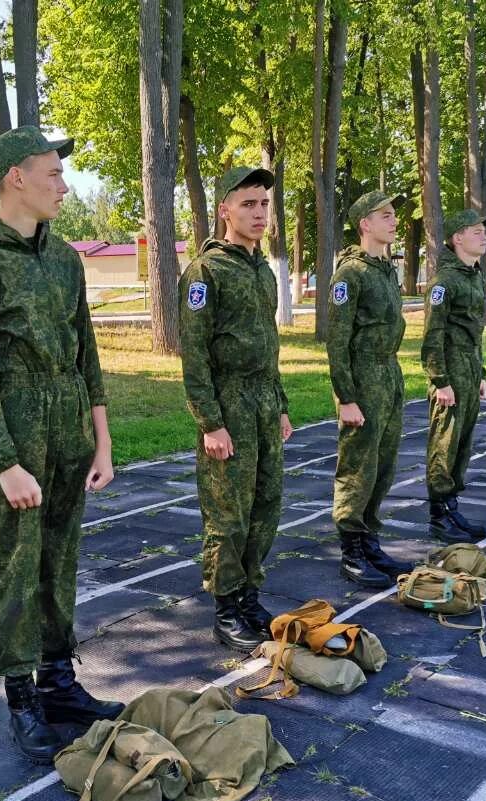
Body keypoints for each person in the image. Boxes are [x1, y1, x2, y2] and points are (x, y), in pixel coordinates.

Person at [0, 126, 122, 764]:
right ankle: (21, 698)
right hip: (15, 426)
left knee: (60, 560)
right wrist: (5, 462)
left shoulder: (64, 256)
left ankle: (59, 682)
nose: (64, 186)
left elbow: (87, 352)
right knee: (16, 565)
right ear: (15, 177)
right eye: (53, 175)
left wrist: (101, 441)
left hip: (68, 423)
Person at [179, 166, 292, 652]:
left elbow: (270, 346)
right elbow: (195, 352)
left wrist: (281, 405)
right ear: (224, 210)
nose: (259, 213)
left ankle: (249, 593)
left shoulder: (262, 269)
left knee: (266, 503)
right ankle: (225, 606)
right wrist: (211, 422)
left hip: (264, 402)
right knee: (229, 512)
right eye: (248, 204)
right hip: (227, 404)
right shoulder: (206, 271)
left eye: (264, 204)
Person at [327, 190, 410, 586]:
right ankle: (351, 549)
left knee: (384, 463)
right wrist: (346, 397)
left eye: (394, 215)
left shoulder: (384, 269)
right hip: (362, 377)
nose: (394, 221)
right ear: (365, 224)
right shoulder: (351, 273)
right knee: (358, 466)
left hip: (389, 375)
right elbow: (337, 340)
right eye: (386, 215)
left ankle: (369, 537)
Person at [424, 209, 486, 542]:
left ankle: (452, 506)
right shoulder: (445, 281)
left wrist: (480, 372)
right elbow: (433, 334)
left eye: (484, 231)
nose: (483, 236)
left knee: (463, 444)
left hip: (468, 369)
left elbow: (474, 331)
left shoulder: (474, 276)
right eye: (476, 231)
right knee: (444, 445)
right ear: (457, 238)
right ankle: (439, 515)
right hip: (449, 371)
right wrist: (440, 380)